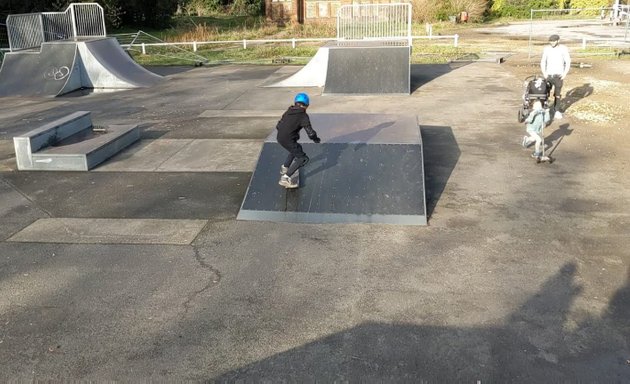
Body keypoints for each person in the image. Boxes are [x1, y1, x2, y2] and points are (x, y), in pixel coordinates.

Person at [276, 92, 321, 188]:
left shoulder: (288, 111)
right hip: (288, 139)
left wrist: (288, 133)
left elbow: (278, 125)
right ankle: (285, 177)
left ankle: (285, 167)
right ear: (307, 105)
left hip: (280, 137)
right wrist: (316, 139)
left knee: (296, 148)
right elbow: (311, 133)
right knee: (303, 158)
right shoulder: (303, 116)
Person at [540, 34, 571, 119]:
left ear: (558, 41)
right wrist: (544, 73)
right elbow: (543, 61)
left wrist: (564, 74)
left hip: (558, 75)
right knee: (545, 93)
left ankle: (556, 110)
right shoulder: (547, 49)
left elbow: (567, 61)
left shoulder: (563, 49)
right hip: (549, 75)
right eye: (551, 41)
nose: (552, 43)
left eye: (554, 41)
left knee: (557, 94)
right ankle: (545, 108)